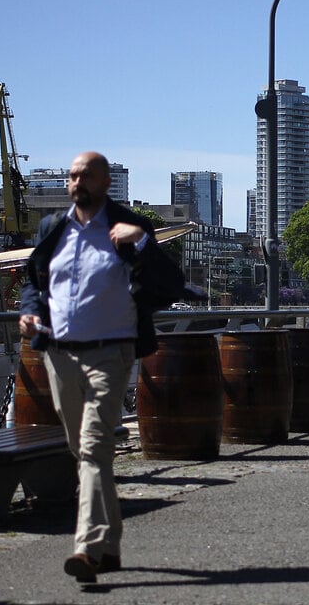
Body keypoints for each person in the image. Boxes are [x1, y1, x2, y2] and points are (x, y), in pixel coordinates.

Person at [19, 151, 186, 584]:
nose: (77, 183)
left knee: (93, 449)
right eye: (72, 176)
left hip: (110, 354)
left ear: (106, 182)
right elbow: (33, 280)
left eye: (86, 176)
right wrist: (31, 312)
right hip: (58, 353)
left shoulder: (129, 227)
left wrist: (144, 243)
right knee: (84, 452)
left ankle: (87, 549)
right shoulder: (52, 228)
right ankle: (110, 543)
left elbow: (170, 285)